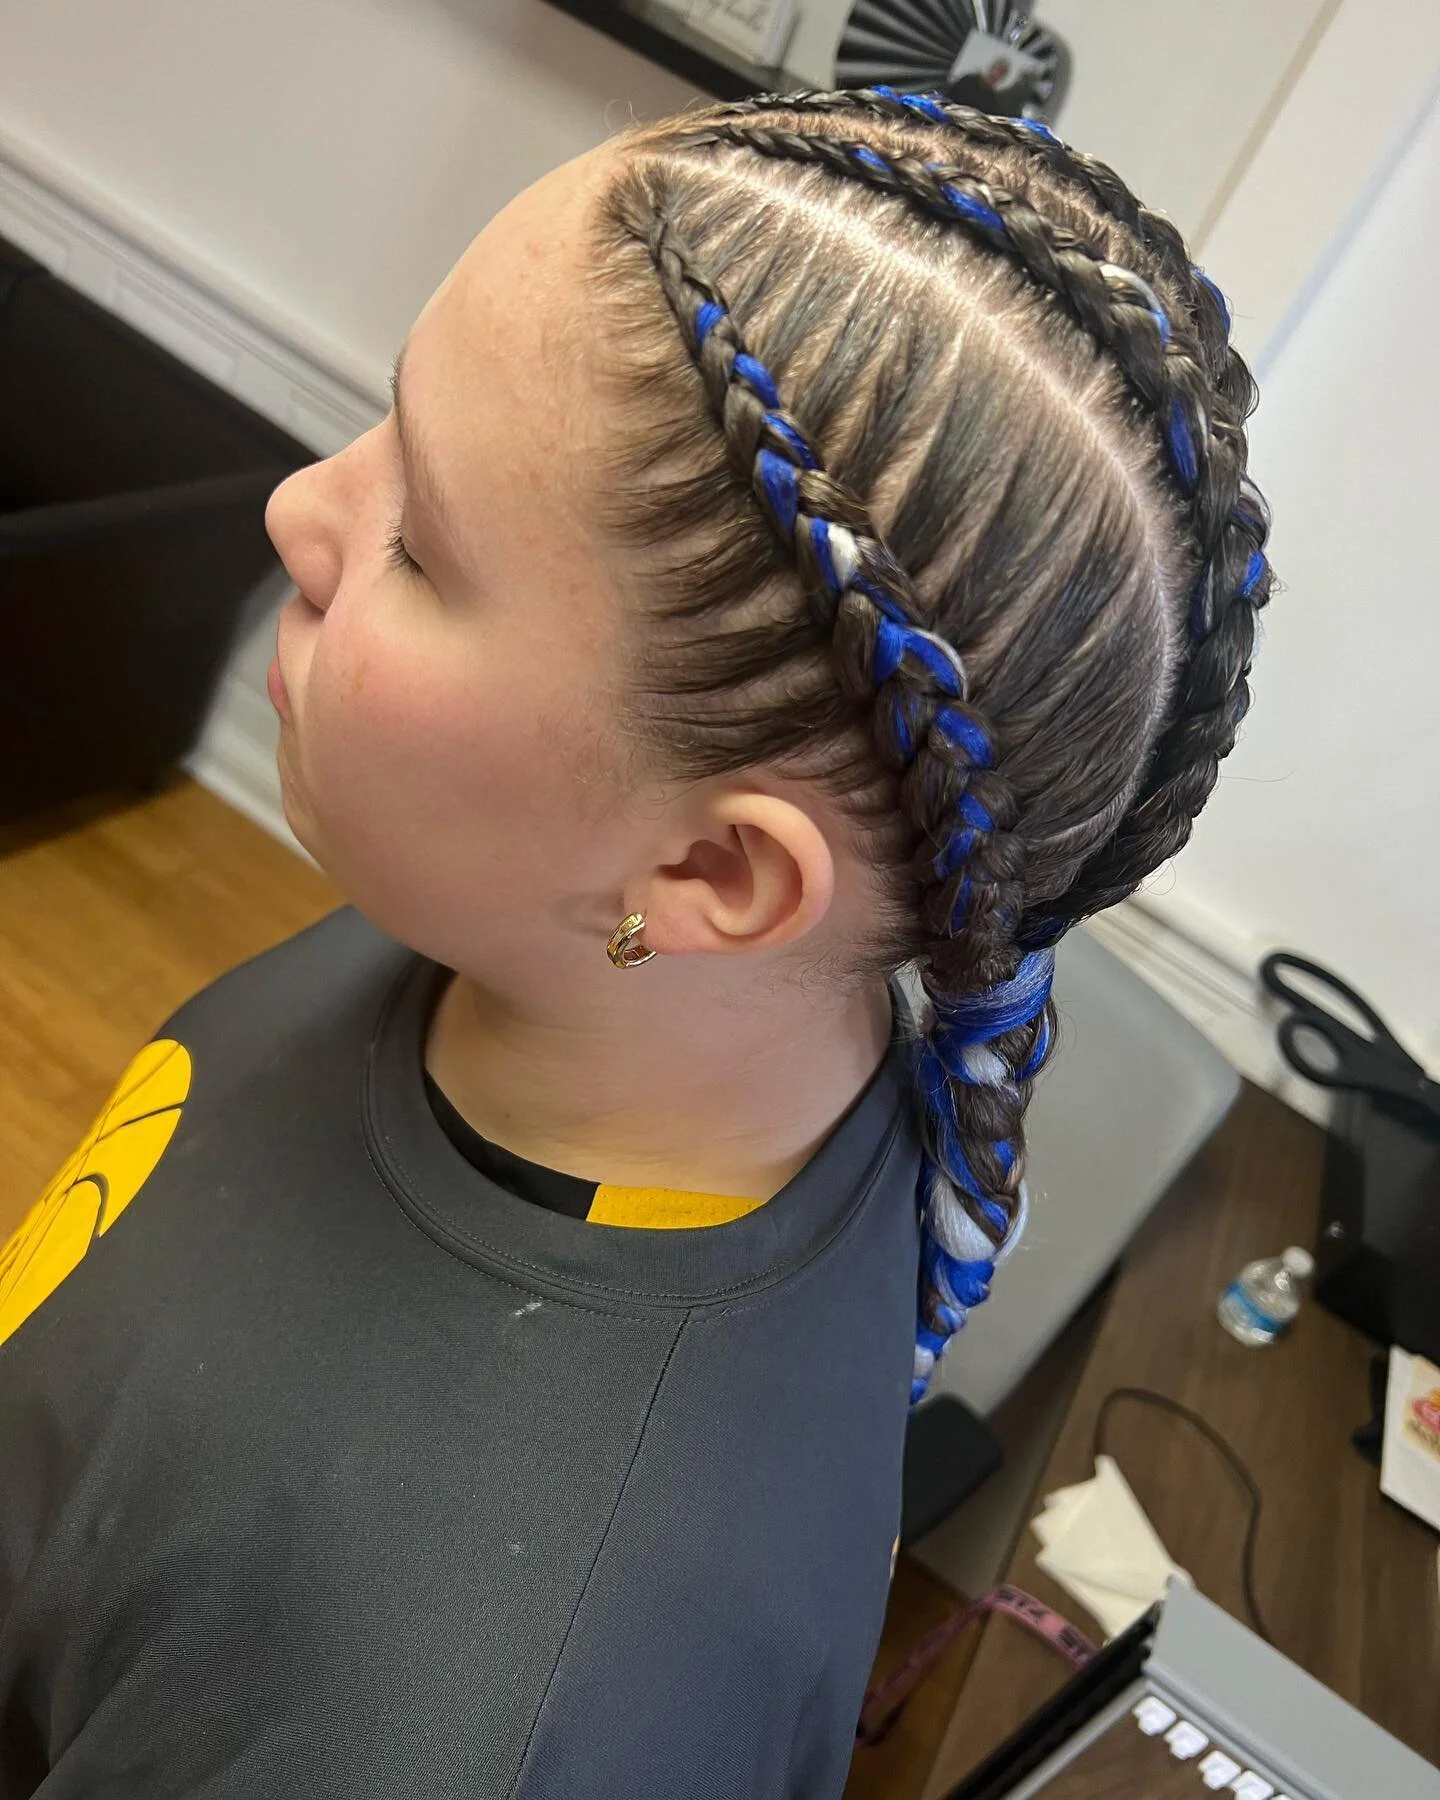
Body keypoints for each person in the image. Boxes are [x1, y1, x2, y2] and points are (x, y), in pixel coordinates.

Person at [0, 87, 1272, 1798]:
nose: (307, 507)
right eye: (386, 416)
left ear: (714, 878)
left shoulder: (447, 1725)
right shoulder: (592, 981)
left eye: (425, 548)